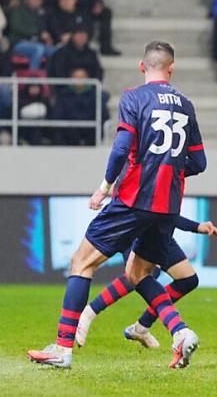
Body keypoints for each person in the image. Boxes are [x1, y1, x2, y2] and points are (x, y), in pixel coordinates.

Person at [26, 41, 206, 369]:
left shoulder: (134, 97)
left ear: (142, 67)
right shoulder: (186, 104)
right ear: (172, 68)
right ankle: (180, 332)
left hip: (134, 199)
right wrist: (168, 166)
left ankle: (63, 347)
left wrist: (104, 187)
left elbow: (121, 148)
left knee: (81, 262)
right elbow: (199, 162)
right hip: (167, 206)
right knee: (138, 273)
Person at [75, 218, 217, 349]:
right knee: (137, 276)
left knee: (188, 280)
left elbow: (169, 212)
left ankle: (140, 328)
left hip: (161, 232)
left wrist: (197, 227)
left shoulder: (173, 190)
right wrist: (104, 188)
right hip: (136, 229)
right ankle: (89, 313)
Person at [8, 0, 56, 70]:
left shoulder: (44, 12)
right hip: (20, 43)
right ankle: (33, 79)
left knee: (57, 52)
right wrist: (39, 33)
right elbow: (17, 27)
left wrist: (49, 37)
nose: (35, 1)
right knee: (38, 49)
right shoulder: (19, 10)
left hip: (39, 43)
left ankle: (51, 77)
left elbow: (50, 27)